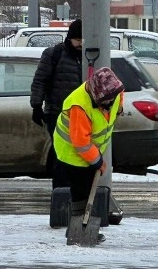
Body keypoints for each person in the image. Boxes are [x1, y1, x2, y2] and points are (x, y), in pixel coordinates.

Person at [53, 67, 124, 243]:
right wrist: (98, 161)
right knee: (81, 190)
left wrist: (119, 108)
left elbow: (119, 98)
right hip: (70, 150)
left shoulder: (114, 92)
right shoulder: (79, 106)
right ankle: (78, 228)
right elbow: (81, 143)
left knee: (87, 186)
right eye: (103, 104)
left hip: (90, 146)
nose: (107, 107)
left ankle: (82, 225)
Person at [30, 19, 83, 189]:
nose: (81, 44)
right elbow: (40, 81)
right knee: (62, 156)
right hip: (57, 114)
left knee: (79, 155)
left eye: (83, 40)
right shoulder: (54, 54)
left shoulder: (89, 57)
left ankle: (76, 192)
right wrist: (36, 106)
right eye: (78, 40)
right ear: (70, 38)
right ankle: (61, 193)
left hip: (81, 116)